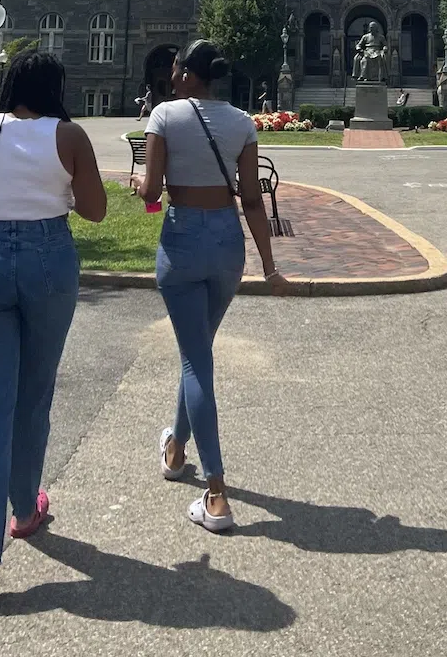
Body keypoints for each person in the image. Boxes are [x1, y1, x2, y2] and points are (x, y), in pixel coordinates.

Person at [0, 51, 107, 609]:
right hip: (47, 258)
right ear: (54, 88)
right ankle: (25, 509)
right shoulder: (68, 136)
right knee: (34, 394)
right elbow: (94, 211)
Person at [133, 39, 291, 535]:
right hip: (227, 242)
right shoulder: (242, 123)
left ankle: (217, 493)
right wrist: (269, 265)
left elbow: (152, 191)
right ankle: (176, 451)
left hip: (182, 239)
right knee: (196, 350)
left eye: (177, 66)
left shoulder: (164, 116)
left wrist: (137, 182)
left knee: (197, 360)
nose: (173, 71)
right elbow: (251, 201)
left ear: (185, 74)